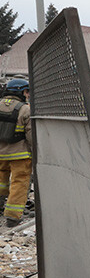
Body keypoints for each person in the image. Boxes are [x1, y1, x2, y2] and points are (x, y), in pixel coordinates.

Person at [0, 79, 32, 227]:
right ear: (20, 91)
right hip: (20, 154)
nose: (28, 95)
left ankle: (0, 203)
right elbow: (30, 134)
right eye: (26, 91)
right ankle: (13, 217)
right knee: (19, 182)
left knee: (1, 179)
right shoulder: (25, 109)